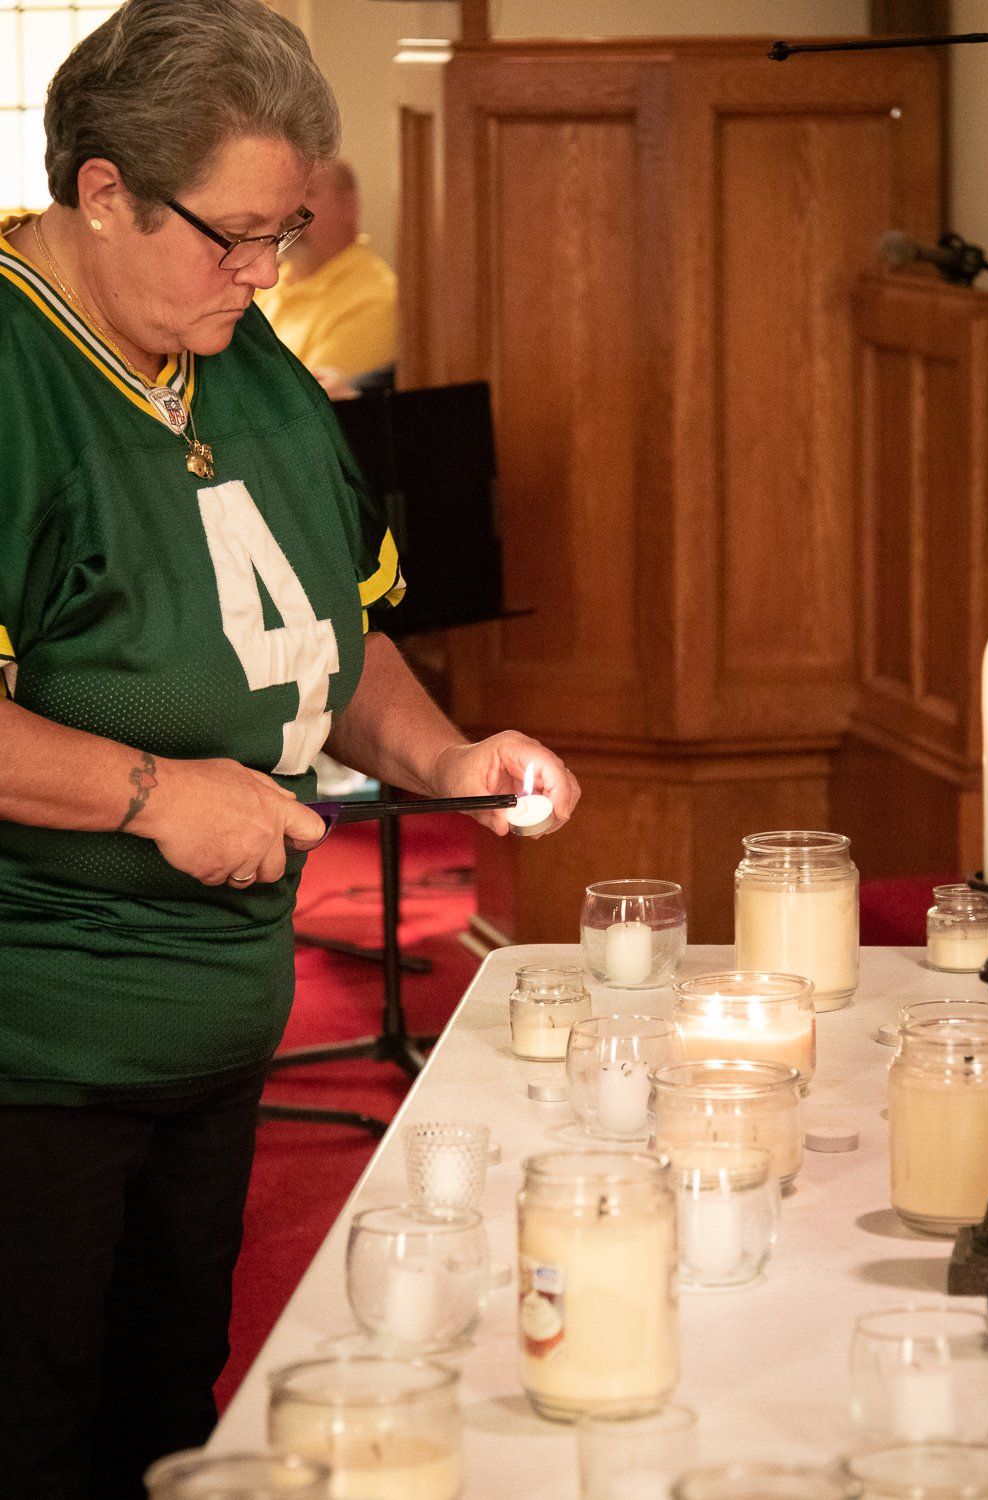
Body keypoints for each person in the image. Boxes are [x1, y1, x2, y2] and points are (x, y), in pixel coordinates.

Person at [0, 2, 580, 1495]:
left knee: (171, 1418)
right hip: (37, 1042)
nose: (268, 273)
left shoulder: (238, 346)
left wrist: (445, 759)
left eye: (287, 232)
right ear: (104, 189)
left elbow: (342, 634)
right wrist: (147, 793)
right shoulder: (13, 375)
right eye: (236, 236)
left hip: (217, 1014)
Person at [257, 157, 397, 398]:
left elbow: (302, 406)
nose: (288, 212)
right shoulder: (260, 280)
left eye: (305, 193)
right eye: (283, 194)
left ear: (348, 206)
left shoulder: (376, 301)